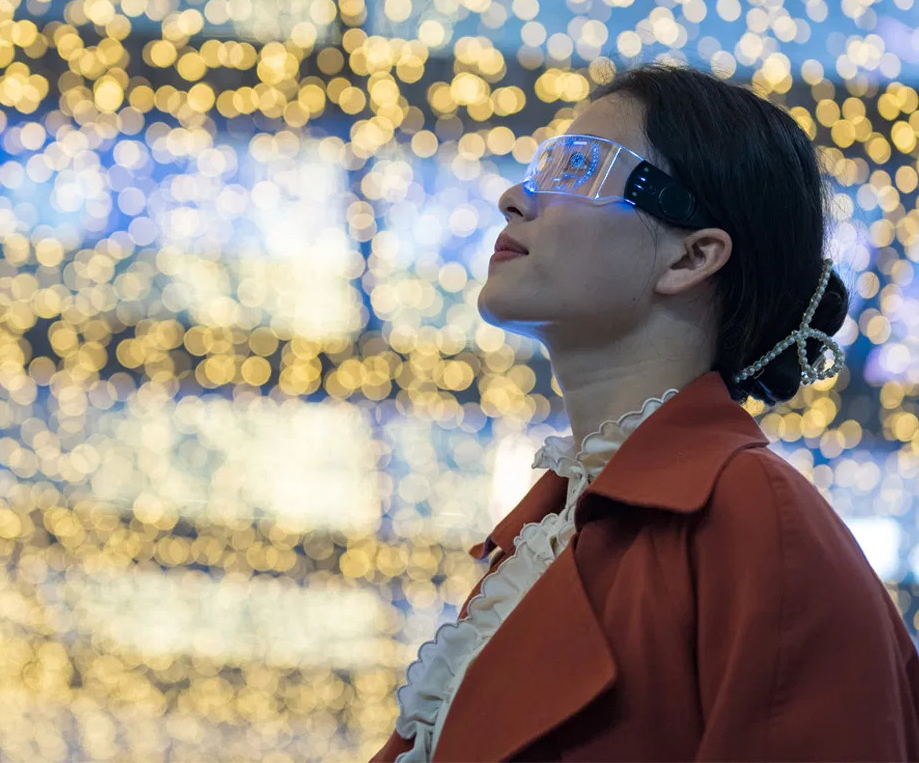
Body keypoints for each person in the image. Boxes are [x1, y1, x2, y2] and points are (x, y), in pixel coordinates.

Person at [369, 63, 919, 762]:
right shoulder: (544, 537)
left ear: (691, 257)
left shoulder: (758, 522)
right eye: (540, 166)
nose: (514, 197)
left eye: (578, 168)